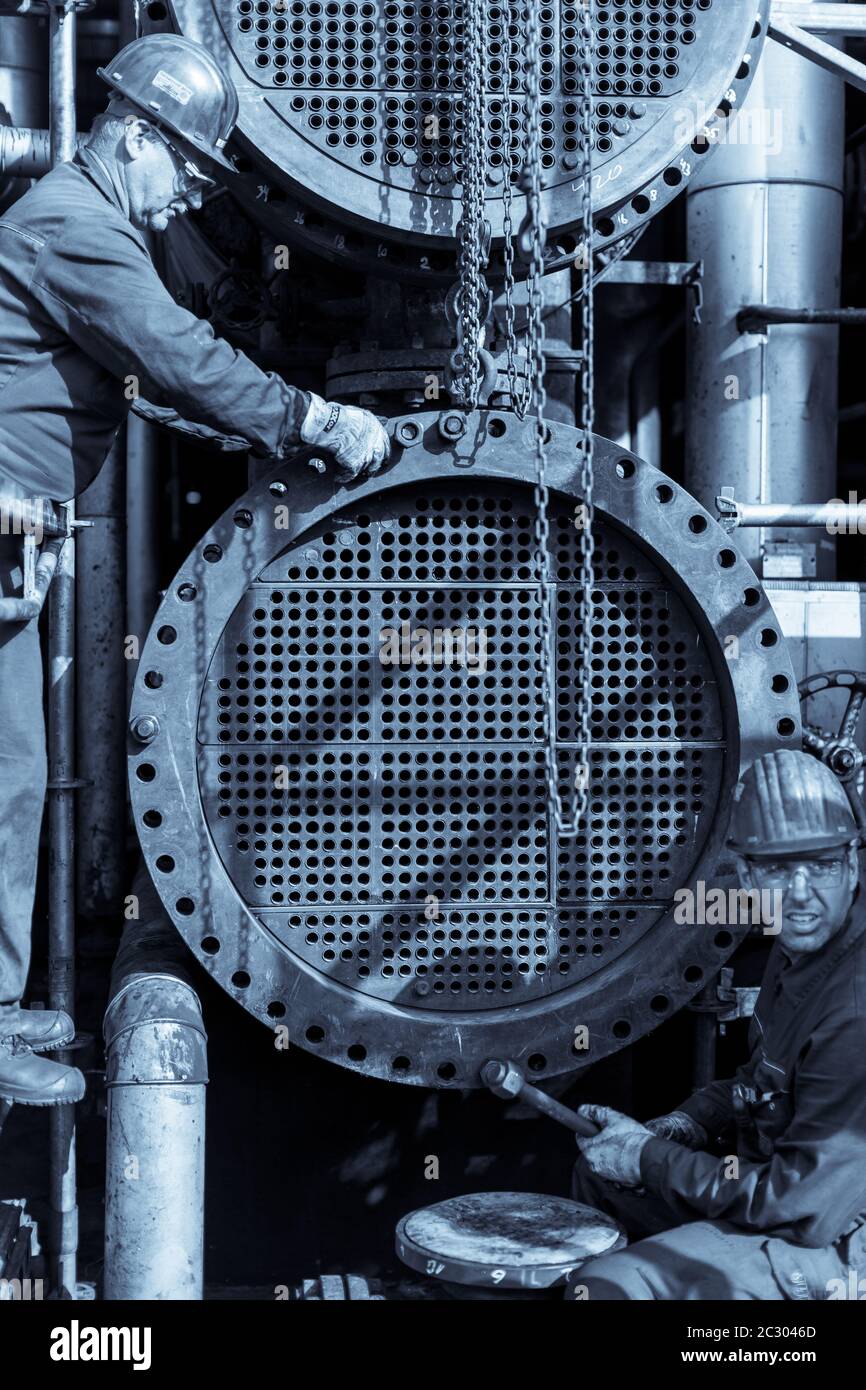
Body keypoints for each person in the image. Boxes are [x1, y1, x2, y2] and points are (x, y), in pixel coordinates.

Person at [0, 32, 389, 1106]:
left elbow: (149, 386)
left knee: (17, 771)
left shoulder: (79, 228)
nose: (186, 203)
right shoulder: (77, 229)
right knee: (0, 772)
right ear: (133, 137)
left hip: (14, 534)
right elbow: (173, 352)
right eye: (187, 169)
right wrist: (307, 414)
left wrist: (277, 435)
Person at [570, 749, 866, 1300]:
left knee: (606, 1288)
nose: (800, 893)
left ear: (852, 864)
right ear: (747, 874)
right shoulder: (803, 942)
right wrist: (687, 1123)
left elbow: (804, 1210)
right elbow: (764, 1080)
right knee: (602, 1176)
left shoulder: (854, 1008)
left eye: (822, 865)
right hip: (780, 1188)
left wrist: (649, 1158)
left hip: (837, 1236)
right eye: (777, 869)